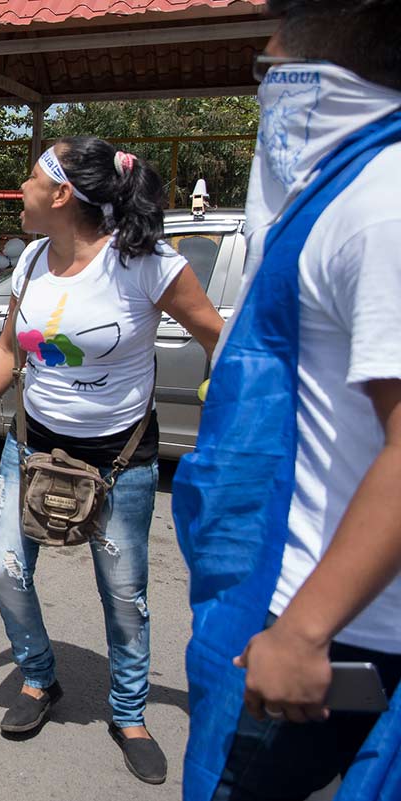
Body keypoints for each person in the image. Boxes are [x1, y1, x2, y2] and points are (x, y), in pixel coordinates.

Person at [171, 2, 401, 799]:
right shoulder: (345, 197)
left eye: (264, 73)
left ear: (310, 78)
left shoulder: (383, 206)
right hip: (314, 608)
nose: (261, 95)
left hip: (331, 625)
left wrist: (305, 628)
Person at [0, 136, 223, 784]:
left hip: (119, 463)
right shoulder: (32, 259)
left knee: (124, 595)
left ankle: (129, 713)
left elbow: (223, 337)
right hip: (32, 446)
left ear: (62, 194)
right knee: (3, 567)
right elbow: (12, 345)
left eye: (31, 177)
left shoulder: (145, 264)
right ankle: (40, 676)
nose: (20, 188)